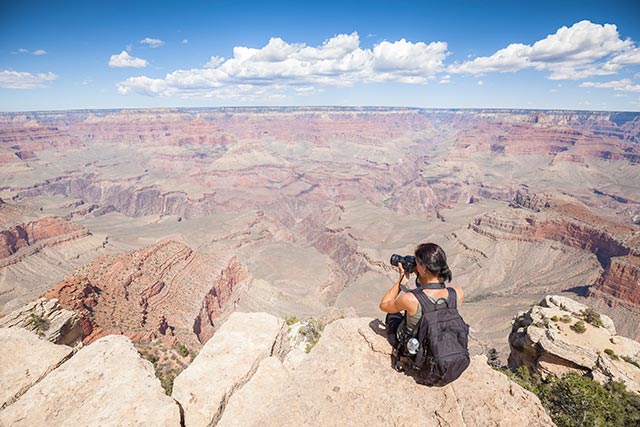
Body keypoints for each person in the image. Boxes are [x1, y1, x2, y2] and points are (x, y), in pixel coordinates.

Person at [379, 242, 464, 347]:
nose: (415, 264)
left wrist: (402, 282)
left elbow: (384, 305)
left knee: (392, 315)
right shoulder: (457, 293)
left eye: (417, 262)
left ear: (424, 268)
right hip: (444, 343)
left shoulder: (410, 299)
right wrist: (421, 275)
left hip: (418, 348)